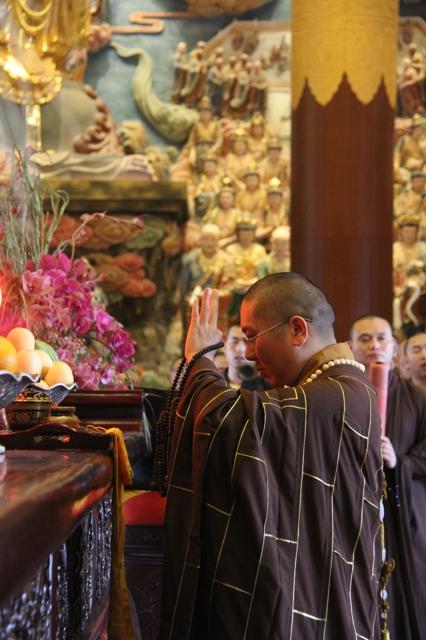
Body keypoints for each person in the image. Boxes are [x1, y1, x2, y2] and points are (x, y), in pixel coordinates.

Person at [160, 274, 382, 639]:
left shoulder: (335, 396)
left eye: (251, 335)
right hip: (325, 595)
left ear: (297, 330)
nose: (247, 352)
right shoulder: (337, 390)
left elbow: (227, 422)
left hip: (319, 607)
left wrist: (201, 359)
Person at [350, 315, 426, 640]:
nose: (374, 345)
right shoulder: (341, 396)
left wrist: (399, 462)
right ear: (351, 347)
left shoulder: (416, 399)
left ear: (394, 348)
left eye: (381, 338)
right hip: (355, 514)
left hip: (401, 514)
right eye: (365, 339)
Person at [222, 324, 269, 390]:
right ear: (224, 346)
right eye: (234, 342)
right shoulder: (215, 384)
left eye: (247, 342)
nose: (240, 349)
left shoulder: (268, 387)